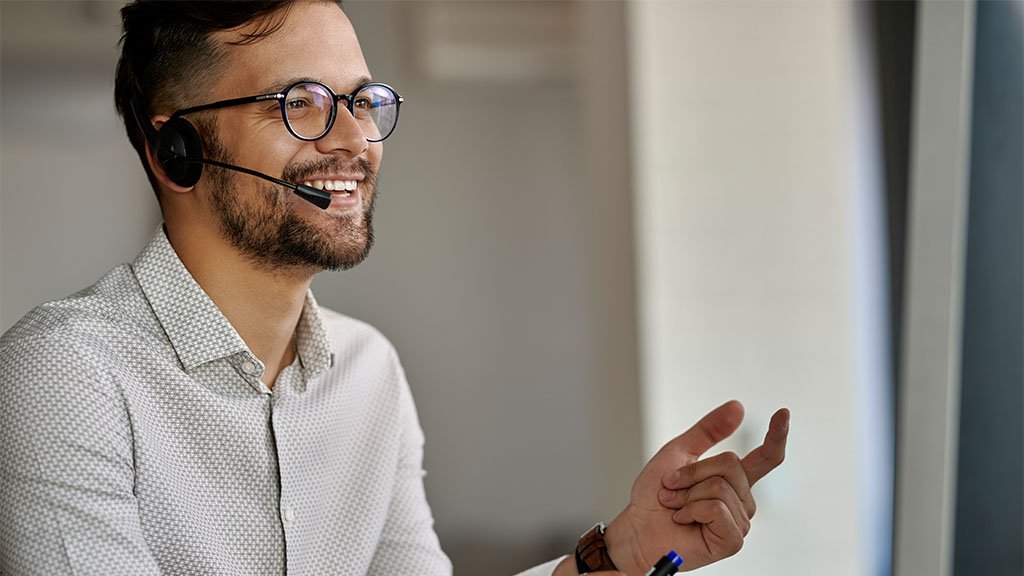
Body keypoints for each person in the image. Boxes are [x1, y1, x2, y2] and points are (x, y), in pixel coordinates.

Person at [0, 2, 790, 575]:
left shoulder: (368, 372)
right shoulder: (65, 376)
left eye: (365, 102)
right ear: (174, 147)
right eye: (299, 104)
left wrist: (618, 554)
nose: (354, 142)